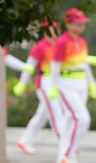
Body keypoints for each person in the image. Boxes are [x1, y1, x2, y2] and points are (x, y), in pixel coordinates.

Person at [48, 9, 96, 163]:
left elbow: (84, 64)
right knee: (82, 118)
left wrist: (92, 83)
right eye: (77, 24)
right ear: (68, 24)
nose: (80, 27)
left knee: (70, 119)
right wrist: (54, 87)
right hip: (66, 84)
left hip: (81, 83)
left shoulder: (82, 42)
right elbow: (55, 65)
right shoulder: (62, 42)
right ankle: (67, 154)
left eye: (82, 24)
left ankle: (61, 158)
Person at [15, 21, 62, 155]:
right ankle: (66, 143)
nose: (57, 31)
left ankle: (25, 140)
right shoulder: (40, 46)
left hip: (57, 81)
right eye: (54, 28)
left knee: (43, 114)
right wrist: (22, 83)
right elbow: (29, 66)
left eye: (59, 28)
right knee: (56, 113)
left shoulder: (59, 45)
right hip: (45, 82)